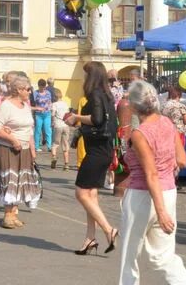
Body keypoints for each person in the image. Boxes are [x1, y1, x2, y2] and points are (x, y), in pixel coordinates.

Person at [119, 81, 186, 284]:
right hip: (168, 192)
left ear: (134, 106)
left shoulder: (140, 133)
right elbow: (183, 161)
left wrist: (160, 212)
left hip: (143, 196)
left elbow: (150, 174)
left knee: (130, 254)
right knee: (163, 256)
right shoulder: (166, 123)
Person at [64, 61, 118, 255]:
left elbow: (96, 119)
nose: (84, 77)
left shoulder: (95, 94)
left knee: (81, 193)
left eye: (86, 74)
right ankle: (90, 238)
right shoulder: (106, 94)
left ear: (92, 76)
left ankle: (108, 229)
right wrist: (78, 120)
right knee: (91, 195)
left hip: (96, 151)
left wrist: (76, 117)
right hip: (104, 149)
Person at [0, 73, 41, 229]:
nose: (30, 92)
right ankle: (7, 216)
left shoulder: (25, 106)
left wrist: (32, 150)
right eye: (28, 89)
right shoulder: (6, 105)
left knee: (19, 181)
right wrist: (13, 140)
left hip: (23, 149)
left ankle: (13, 215)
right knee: (9, 181)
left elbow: (29, 129)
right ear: (19, 89)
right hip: (6, 149)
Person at [50, 88, 72, 171]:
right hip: (65, 125)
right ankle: (66, 163)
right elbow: (67, 114)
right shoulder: (65, 104)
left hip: (57, 125)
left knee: (55, 143)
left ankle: (54, 157)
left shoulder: (54, 104)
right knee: (65, 144)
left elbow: (52, 114)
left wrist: (52, 123)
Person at [32, 79, 53, 152]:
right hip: (38, 115)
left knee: (48, 130)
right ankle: (36, 146)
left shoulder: (48, 93)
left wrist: (50, 108)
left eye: (44, 87)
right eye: (41, 87)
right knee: (37, 130)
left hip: (47, 114)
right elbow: (33, 104)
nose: (43, 89)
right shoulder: (35, 93)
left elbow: (50, 102)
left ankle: (49, 146)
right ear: (39, 86)